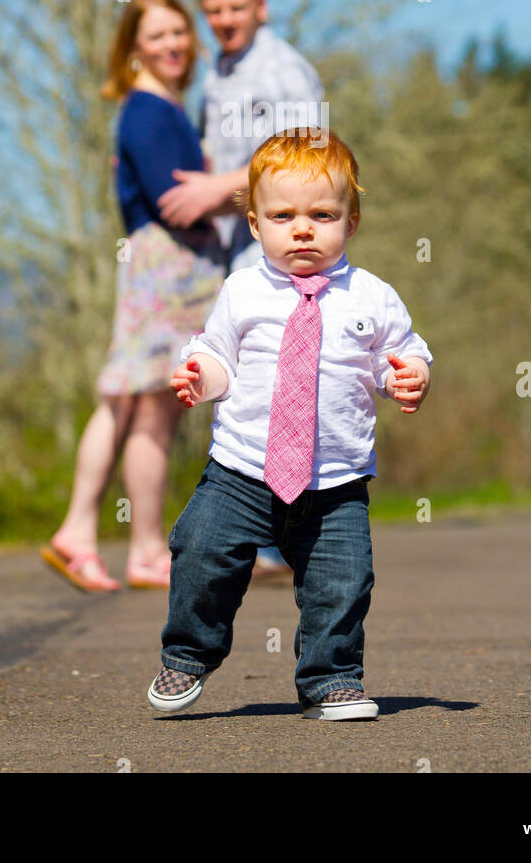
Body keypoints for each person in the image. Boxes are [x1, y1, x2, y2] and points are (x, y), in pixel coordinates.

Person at [147, 130, 433, 720]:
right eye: (283, 215)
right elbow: (220, 355)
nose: (302, 228)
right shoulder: (243, 290)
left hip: (336, 479)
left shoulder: (372, 297)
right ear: (255, 225)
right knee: (200, 552)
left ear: (351, 223)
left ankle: (331, 679)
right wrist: (201, 375)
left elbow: (398, 354)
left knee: (343, 582)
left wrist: (409, 375)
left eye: (322, 215)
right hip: (242, 468)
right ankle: (187, 655)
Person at [41, 0, 224, 592]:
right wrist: (226, 195)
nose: (172, 44)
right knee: (131, 400)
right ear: (133, 47)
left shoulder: (164, 106)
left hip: (170, 269)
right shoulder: (147, 109)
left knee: (148, 406)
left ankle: (139, 546)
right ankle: (85, 534)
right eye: (156, 35)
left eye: (179, 32)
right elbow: (174, 202)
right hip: (165, 267)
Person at [157, 0, 325, 577]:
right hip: (233, 246)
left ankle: (286, 535)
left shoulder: (284, 71)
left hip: (280, 245)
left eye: (237, 7)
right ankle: (248, 533)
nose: (226, 19)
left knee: (281, 376)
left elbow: (301, 163)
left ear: (262, 6)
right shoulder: (221, 75)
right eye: (215, 10)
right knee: (239, 379)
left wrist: (215, 190)